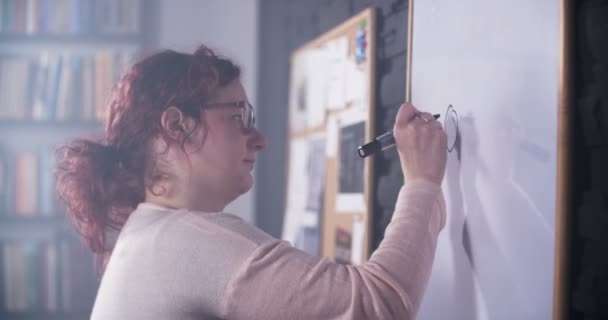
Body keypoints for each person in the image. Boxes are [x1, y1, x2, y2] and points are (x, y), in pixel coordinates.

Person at [56, 44, 447, 320]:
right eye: (239, 117)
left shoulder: (147, 235)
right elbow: (379, 307)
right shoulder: (185, 241)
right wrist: (423, 182)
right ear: (177, 126)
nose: (260, 139)